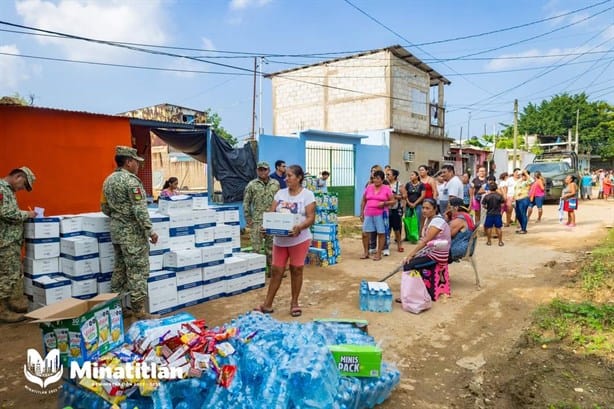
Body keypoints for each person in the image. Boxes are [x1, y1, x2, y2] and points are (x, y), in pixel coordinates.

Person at [101, 146, 159, 320]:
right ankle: (139, 310)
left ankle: (116, 308)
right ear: (128, 162)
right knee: (138, 271)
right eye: (136, 162)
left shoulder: (108, 181)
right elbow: (140, 209)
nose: (138, 166)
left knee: (120, 270)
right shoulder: (131, 181)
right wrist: (150, 230)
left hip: (117, 234)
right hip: (132, 235)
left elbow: (104, 207)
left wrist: (119, 217)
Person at [256, 165, 315, 317]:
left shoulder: (307, 195)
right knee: (276, 271)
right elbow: (271, 214)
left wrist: (299, 227)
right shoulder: (280, 194)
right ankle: (267, 304)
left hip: (299, 239)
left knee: (296, 270)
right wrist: (266, 226)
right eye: (286, 176)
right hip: (280, 241)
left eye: (289, 176)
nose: (286, 178)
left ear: (299, 177)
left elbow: (311, 218)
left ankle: (294, 303)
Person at [0, 167, 37, 323]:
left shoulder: (8, 190)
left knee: (11, 274)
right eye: (23, 185)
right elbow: (5, 212)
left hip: (10, 240)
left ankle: (7, 304)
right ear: (18, 176)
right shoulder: (2, 189)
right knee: (5, 275)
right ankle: (2, 311)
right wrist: (26, 214)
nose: (22, 188)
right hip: (5, 241)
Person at [243, 161, 280, 270]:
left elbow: (279, 201)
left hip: (272, 220)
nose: (262, 172)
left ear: (268, 171)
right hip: (257, 221)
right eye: (260, 169)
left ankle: (273, 272)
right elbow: (246, 203)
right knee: (256, 248)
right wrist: (248, 218)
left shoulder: (275, 184)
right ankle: (257, 273)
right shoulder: (251, 185)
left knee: (272, 248)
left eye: (264, 169)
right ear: (257, 171)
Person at [400, 198, 451, 271]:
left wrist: (411, 255)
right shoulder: (428, 219)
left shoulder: (437, 221)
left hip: (437, 255)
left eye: (427, 208)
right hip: (430, 251)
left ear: (435, 209)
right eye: (423, 208)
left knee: (408, 265)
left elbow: (425, 241)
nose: (424, 210)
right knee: (407, 261)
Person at [360, 170, 394, 261]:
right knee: (364, 233)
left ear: (382, 180)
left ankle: (379, 253)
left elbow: (393, 201)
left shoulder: (386, 188)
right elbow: (364, 200)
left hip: (381, 214)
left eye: (378, 178)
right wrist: (361, 213)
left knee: (381, 233)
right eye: (374, 178)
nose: (375, 180)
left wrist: (384, 203)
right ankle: (366, 252)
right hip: (368, 213)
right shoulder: (369, 187)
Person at [401, 170, 425, 242]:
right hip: (409, 205)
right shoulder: (408, 184)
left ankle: (415, 236)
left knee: (417, 220)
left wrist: (415, 204)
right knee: (407, 220)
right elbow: (405, 195)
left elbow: (422, 196)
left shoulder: (421, 185)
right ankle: (407, 236)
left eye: (412, 175)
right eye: (410, 175)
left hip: (418, 205)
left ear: (417, 176)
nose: (410, 176)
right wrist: (408, 203)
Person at [482, 180, 505, 246]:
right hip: (497, 214)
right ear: (496, 188)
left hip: (489, 214)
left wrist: (487, 208)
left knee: (489, 228)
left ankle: (489, 241)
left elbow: (483, 205)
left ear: (489, 188)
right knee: (498, 228)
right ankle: (500, 242)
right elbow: (502, 205)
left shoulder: (487, 196)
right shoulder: (499, 196)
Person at [386, 168, 404, 252]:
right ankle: (386, 245)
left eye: (389, 174)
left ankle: (399, 245)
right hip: (386, 209)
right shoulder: (384, 184)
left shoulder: (398, 184)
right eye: (386, 174)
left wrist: (395, 196)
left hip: (395, 209)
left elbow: (405, 195)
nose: (387, 176)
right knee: (387, 228)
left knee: (396, 228)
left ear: (394, 176)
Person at [513, 169, 532, 234]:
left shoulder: (527, 182)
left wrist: (525, 173)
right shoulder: (519, 181)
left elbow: (531, 180)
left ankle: (524, 229)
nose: (522, 176)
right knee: (518, 214)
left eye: (524, 175)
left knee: (523, 214)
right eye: (522, 175)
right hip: (517, 199)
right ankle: (522, 227)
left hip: (524, 199)